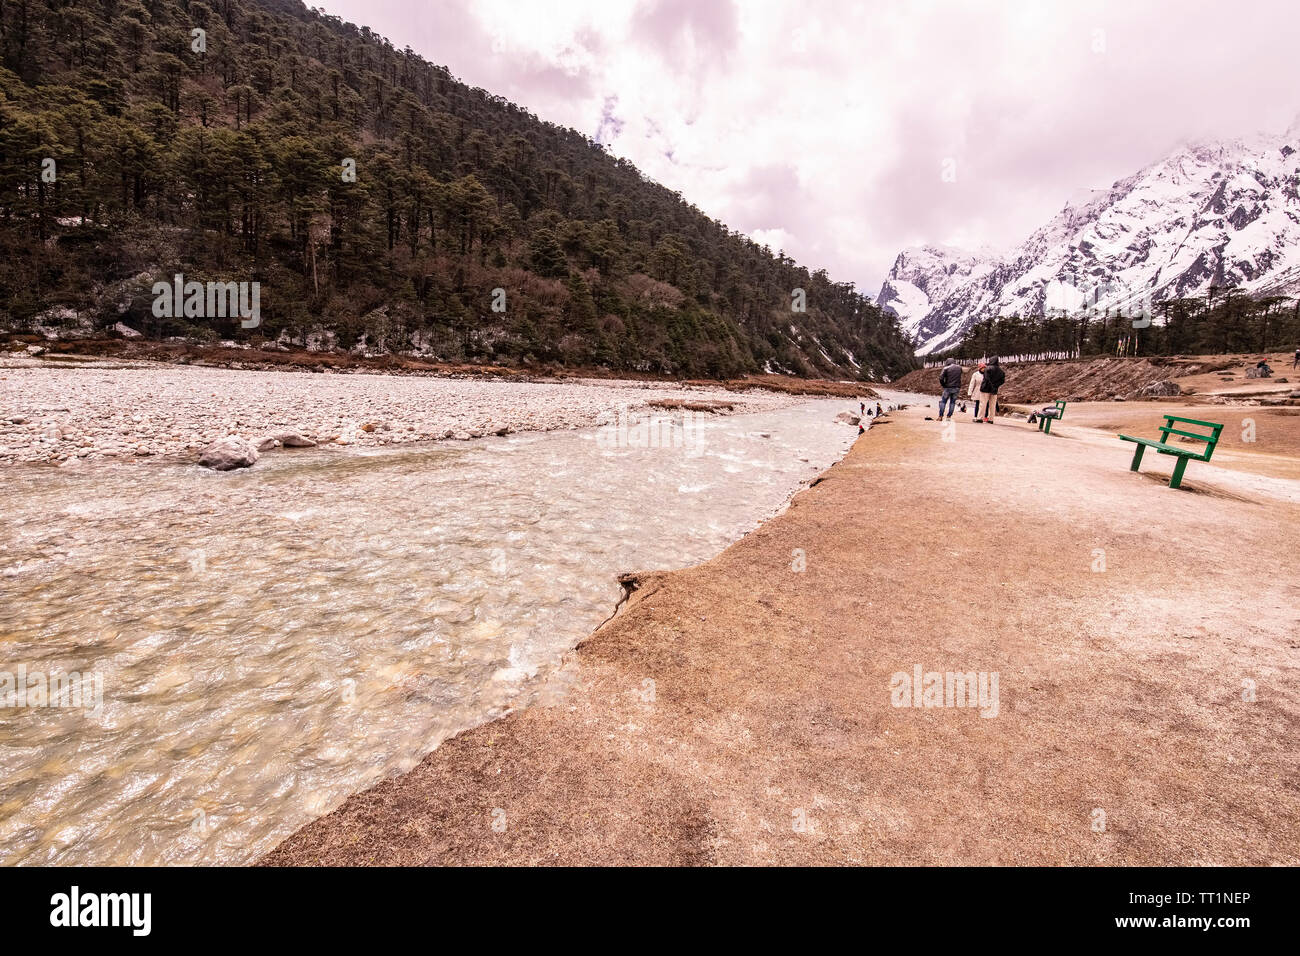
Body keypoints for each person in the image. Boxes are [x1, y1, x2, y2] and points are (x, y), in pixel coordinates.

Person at [979, 357, 1005, 423]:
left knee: (983, 404)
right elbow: (1002, 381)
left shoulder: (987, 369)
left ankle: (980, 418)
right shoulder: (1001, 371)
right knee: (992, 405)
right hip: (994, 390)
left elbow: (987, 379)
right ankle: (991, 419)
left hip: (985, 389)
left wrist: (991, 385)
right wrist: (995, 386)